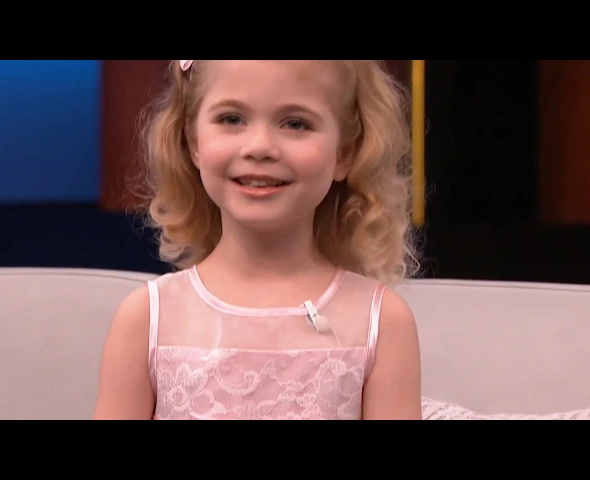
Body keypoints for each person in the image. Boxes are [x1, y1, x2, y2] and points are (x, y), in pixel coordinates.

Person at [93, 60, 423, 420]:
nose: (260, 147)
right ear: (192, 140)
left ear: (345, 151)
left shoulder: (382, 322)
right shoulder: (145, 320)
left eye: (295, 123)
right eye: (232, 119)